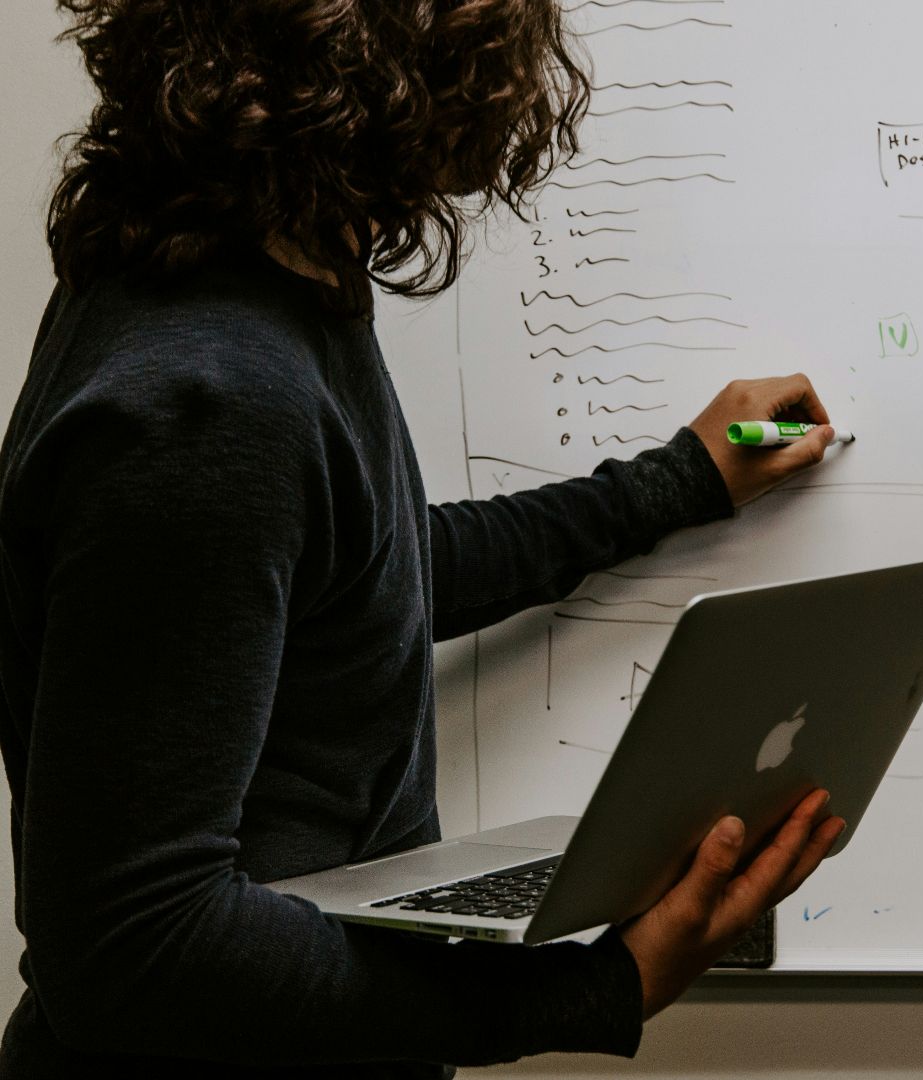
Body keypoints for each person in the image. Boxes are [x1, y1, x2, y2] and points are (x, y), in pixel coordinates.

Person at [0, 1, 847, 1076]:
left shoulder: (248, 282)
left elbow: (359, 581)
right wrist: (598, 989)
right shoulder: (207, 399)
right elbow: (133, 947)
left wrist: (677, 483)